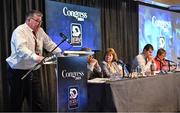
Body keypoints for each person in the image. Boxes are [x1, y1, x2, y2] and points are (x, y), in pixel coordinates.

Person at [6, 10, 62, 111]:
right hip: (18, 72)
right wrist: (35, 57)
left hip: (33, 71)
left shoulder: (40, 31)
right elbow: (21, 49)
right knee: (16, 103)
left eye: (40, 21)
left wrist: (60, 54)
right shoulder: (20, 31)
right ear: (28, 20)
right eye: (37, 21)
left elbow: (49, 43)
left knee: (37, 102)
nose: (39, 24)